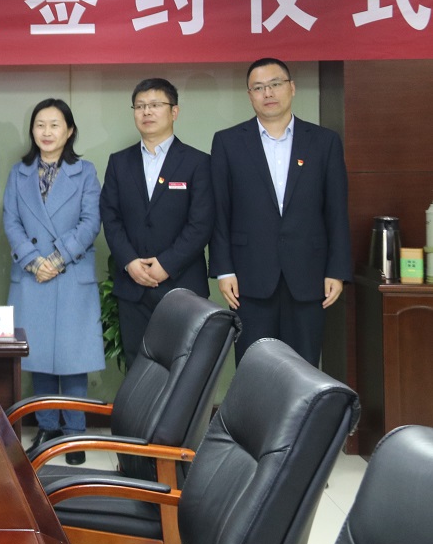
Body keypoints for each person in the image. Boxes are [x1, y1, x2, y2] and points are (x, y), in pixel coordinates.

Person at [210, 58, 350, 366]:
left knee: (303, 368)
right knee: (254, 366)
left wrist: (336, 270)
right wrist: (224, 270)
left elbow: (337, 211)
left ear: (292, 88)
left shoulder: (324, 142)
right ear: (250, 95)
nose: (268, 93)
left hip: (309, 275)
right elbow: (220, 210)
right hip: (248, 278)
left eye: (275, 84)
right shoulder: (228, 142)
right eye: (259, 87)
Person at [3, 98, 102, 464]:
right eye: (40, 125)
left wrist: (58, 258)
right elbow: (10, 220)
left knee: (74, 359)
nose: (46, 132)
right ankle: (46, 427)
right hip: (32, 275)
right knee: (39, 356)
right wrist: (33, 261)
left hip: (70, 271)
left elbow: (91, 222)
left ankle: (75, 434)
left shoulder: (85, 172)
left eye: (55, 125)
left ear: (69, 131)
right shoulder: (19, 173)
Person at [100, 78, 214, 368]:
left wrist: (166, 264)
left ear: (174, 112)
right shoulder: (119, 162)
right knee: (137, 369)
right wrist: (129, 262)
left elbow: (201, 223)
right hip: (133, 286)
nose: (146, 112)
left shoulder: (198, 162)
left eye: (155, 105)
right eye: (140, 106)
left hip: (182, 287)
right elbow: (110, 217)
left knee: (183, 370)